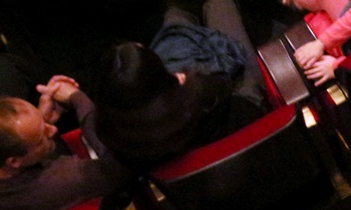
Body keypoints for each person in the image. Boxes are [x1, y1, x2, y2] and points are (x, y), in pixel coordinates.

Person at [89, 0, 265, 170]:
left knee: (175, 18)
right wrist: (189, 83)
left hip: (198, 180)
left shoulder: (120, 140)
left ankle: (179, 10)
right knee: (218, 5)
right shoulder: (199, 93)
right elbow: (225, 78)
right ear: (164, 78)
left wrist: (75, 98)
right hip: (245, 123)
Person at [0, 79, 130, 210]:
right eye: (41, 137)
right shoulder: (65, 178)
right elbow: (123, 165)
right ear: (14, 161)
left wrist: (39, 120)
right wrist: (77, 99)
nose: (53, 129)